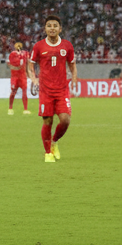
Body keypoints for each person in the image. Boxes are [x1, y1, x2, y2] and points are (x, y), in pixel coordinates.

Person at [28, 15, 78, 163]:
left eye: (55, 25)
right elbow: (31, 65)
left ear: (60, 28)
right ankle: (48, 152)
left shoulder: (67, 46)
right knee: (47, 121)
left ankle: (54, 141)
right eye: (49, 25)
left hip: (62, 89)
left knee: (65, 120)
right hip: (45, 90)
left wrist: (74, 79)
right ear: (45, 28)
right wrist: (34, 79)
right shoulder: (38, 46)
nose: (52, 28)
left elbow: (72, 64)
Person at [7, 41, 30, 115]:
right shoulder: (12, 54)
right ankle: (10, 108)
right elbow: (9, 65)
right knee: (13, 91)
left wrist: (28, 73)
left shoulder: (25, 54)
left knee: (24, 92)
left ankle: (25, 109)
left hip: (23, 76)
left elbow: (27, 64)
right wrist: (16, 68)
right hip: (15, 76)